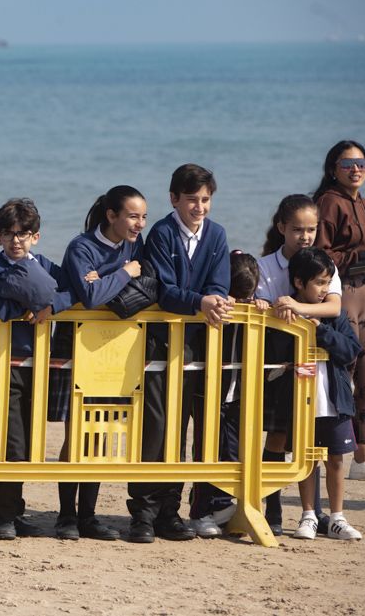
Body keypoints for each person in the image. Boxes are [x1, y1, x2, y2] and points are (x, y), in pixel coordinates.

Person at [128, 164, 232, 543]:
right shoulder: (161, 233)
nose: (199, 207)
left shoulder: (217, 235)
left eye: (205, 200)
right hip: (158, 346)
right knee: (155, 430)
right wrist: (200, 301)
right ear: (174, 199)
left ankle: (170, 511)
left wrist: (210, 300)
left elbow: (220, 284)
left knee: (187, 428)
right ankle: (143, 512)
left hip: (199, 349)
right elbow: (162, 290)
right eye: (192, 199)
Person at [0, 198, 73, 540]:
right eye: (9, 233)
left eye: (24, 233)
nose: (16, 240)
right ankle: (3, 516)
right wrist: (24, 307)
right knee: (11, 440)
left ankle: (15, 509)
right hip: (2, 365)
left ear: (36, 236)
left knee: (30, 441)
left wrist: (49, 306)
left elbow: (71, 292)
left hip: (40, 365)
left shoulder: (45, 265)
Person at [58, 186, 150, 540]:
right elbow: (92, 296)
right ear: (111, 215)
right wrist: (126, 273)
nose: (139, 224)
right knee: (76, 432)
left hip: (118, 347)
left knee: (100, 432)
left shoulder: (137, 245)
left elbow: (144, 286)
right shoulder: (81, 248)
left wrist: (107, 280)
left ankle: (88, 517)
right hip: (76, 346)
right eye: (131, 216)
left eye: (143, 216)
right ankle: (67, 515)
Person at [256, 194, 344, 535]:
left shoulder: (325, 265)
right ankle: (272, 507)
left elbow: (333, 307)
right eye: (297, 230)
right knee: (277, 434)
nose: (305, 236)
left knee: (312, 436)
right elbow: (261, 309)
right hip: (278, 362)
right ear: (282, 228)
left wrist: (294, 307)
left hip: (314, 366)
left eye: (311, 229)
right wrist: (276, 310)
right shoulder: (266, 266)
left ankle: (316, 511)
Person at [186, 252, 270, 537]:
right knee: (205, 449)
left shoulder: (252, 305)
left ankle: (224, 505)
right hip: (208, 389)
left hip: (238, 390)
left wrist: (261, 306)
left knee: (232, 450)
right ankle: (200, 511)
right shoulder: (211, 304)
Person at [286, 248, 363, 540]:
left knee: (336, 460)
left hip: (335, 401)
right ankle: (308, 515)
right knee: (306, 458)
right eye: (318, 282)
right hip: (301, 401)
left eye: (328, 282)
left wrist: (319, 330)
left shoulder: (336, 316)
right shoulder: (287, 315)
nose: (324, 289)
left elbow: (350, 350)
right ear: (298, 282)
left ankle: (337, 517)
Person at [312, 140, 365, 481]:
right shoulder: (328, 202)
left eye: (362, 162)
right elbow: (319, 256)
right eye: (348, 163)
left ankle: (364, 458)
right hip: (340, 293)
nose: (357, 169)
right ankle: (328, 452)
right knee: (342, 373)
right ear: (333, 168)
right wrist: (361, 259)